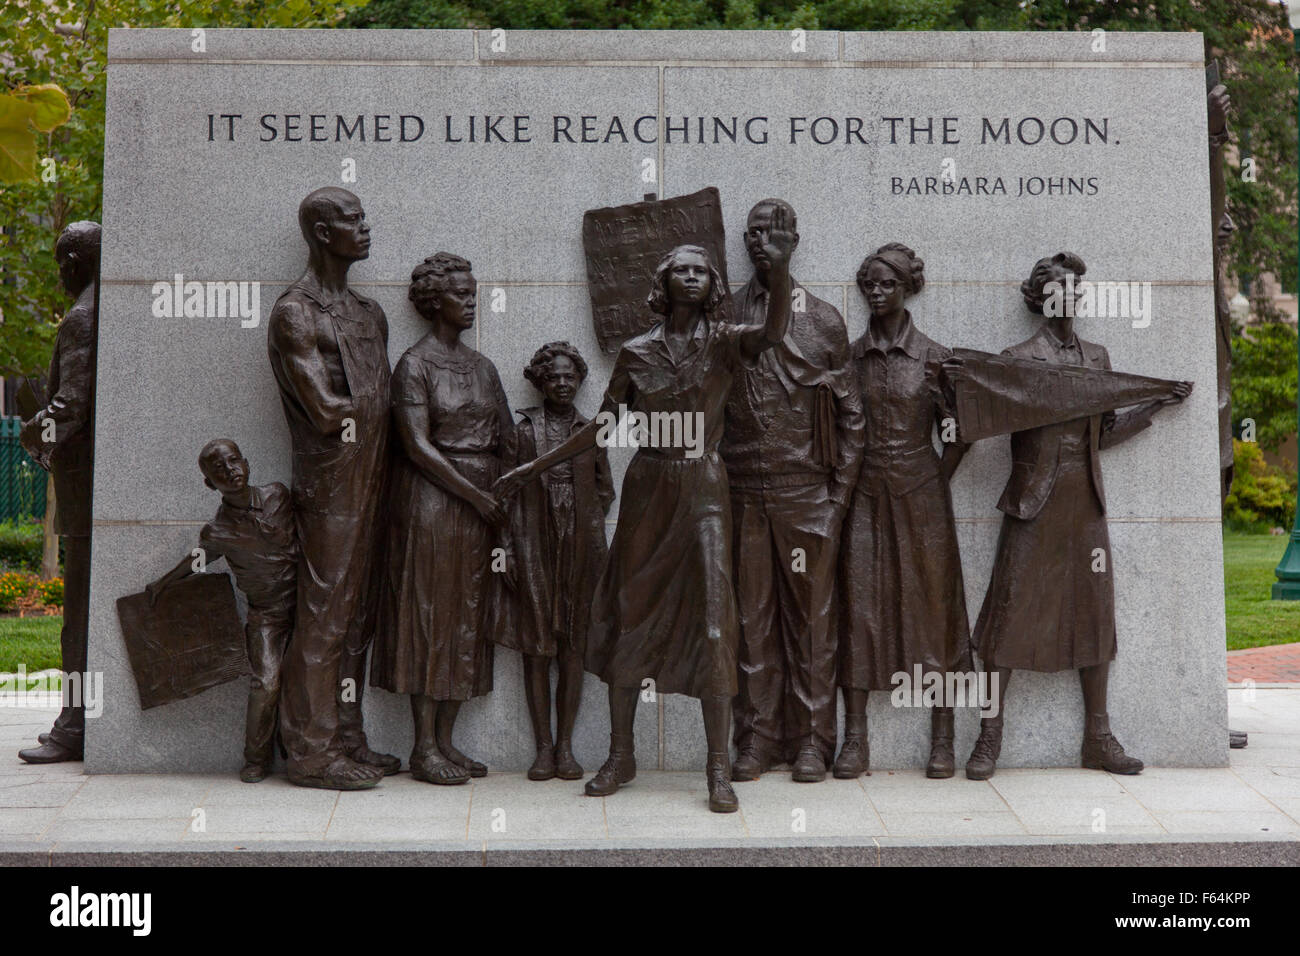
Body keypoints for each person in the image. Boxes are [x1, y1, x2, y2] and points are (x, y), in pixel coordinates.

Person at [495, 218, 795, 814]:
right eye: (680, 268)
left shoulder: (727, 340)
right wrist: (534, 468)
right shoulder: (637, 352)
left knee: (715, 619)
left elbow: (775, 331)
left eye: (699, 270)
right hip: (648, 487)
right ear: (664, 282)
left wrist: (779, 271)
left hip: (705, 484)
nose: (690, 275)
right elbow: (604, 428)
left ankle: (717, 768)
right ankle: (621, 753)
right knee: (630, 618)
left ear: (711, 284)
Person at [966, 252, 1192, 780]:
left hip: (1084, 503)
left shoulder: (1097, 358)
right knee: (1007, 617)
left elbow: (1105, 433)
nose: (1068, 298)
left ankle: (1098, 737)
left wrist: (1153, 404)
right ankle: (988, 735)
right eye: (1059, 289)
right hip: (1032, 502)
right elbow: (992, 422)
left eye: (1074, 290)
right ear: (1040, 297)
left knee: (1094, 616)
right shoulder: (1017, 358)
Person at [722, 200, 864, 784]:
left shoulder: (824, 320)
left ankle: (812, 740)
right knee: (749, 621)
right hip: (742, 492)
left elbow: (853, 418)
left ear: (795, 240)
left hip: (807, 494)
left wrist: (837, 501)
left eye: (774, 233)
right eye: (753, 233)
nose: (762, 242)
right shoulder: (725, 314)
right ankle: (754, 740)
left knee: (812, 622)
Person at [267, 187, 399, 790]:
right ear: (322, 233)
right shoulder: (296, 311)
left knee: (358, 613)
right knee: (322, 615)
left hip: (376, 472)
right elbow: (325, 409)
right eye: (352, 219)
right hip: (330, 481)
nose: (365, 228)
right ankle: (310, 752)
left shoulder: (370, 314)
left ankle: (347, 735)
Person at [370, 253, 511, 785]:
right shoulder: (414, 364)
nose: (471, 302)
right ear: (435, 302)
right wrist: (475, 496)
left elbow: (505, 436)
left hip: (480, 505)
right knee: (428, 615)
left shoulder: (483, 367)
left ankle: (448, 741)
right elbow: (416, 446)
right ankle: (422, 747)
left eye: (474, 294)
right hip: (431, 502)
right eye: (461, 295)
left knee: (467, 616)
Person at [833, 243, 971, 780]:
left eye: (887, 282)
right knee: (859, 608)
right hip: (864, 495)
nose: (876, 291)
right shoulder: (849, 357)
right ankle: (855, 739)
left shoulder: (936, 358)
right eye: (869, 282)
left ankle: (942, 738)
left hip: (922, 500)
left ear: (907, 287)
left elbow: (960, 432)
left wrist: (934, 478)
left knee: (934, 612)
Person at [147, 439, 297, 783]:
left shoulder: (279, 496)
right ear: (209, 484)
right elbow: (196, 561)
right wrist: (162, 584)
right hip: (266, 615)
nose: (229, 470)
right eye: (218, 469)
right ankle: (256, 757)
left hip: (307, 606)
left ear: (246, 462)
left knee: (309, 679)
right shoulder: (218, 531)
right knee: (267, 682)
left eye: (233, 461)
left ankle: (301, 748)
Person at [499, 342, 614, 782]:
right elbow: (504, 492)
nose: (563, 384)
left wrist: (581, 524)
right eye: (554, 377)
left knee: (572, 647)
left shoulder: (590, 429)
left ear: (580, 381)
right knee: (536, 645)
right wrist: (507, 547)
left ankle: (565, 747)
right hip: (533, 539)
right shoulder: (523, 429)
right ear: (540, 381)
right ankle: (542, 748)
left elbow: (605, 489)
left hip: (579, 545)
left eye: (570, 377)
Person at [18, 221, 100, 765]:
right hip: (98, 485)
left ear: (74, 261)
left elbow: (70, 406)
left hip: (85, 486)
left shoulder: (82, 318)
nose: (60, 273)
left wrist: (31, 433)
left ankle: (74, 726)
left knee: (78, 613)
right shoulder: (108, 312)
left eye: (60, 262)